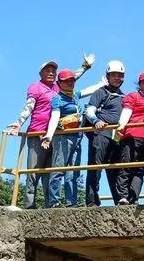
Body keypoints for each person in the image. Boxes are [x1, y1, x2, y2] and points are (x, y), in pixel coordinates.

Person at [6, 54, 95, 208]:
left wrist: (85, 67)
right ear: (40, 73)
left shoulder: (58, 87)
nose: (51, 73)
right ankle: (29, 205)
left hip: (55, 135)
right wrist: (19, 123)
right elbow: (29, 106)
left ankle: (49, 205)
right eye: (47, 70)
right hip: (37, 133)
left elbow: (72, 78)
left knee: (50, 171)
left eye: (53, 70)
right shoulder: (35, 87)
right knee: (33, 171)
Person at [41, 67, 105, 207]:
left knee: (73, 172)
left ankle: (72, 203)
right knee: (58, 170)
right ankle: (53, 202)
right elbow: (54, 117)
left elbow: (88, 90)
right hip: (63, 138)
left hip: (77, 137)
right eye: (66, 81)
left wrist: (101, 83)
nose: (70, 83)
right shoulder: (57, 99)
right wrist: (49, 136)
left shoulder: (74, 95)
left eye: (72, 80)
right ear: (59, 83)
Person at [83, 60, 126, 206]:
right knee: (95, 167)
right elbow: (89, 110)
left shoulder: (124, 96)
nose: (117, 78)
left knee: (115, 168)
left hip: (116, 137)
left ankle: (118, 200)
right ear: (107, 76)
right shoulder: (101, 92)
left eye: (120, 75)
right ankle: (91, 201)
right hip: (100, 134)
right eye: (114, 75)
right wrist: (96, 121)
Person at [114, 72, 144, 205]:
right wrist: (121, 125)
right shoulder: (133, 96)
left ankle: (133, 198)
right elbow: (127, 111)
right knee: (127, 166)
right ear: (140, 84)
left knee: (140, 170)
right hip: (133, 136)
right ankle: (122, 196)